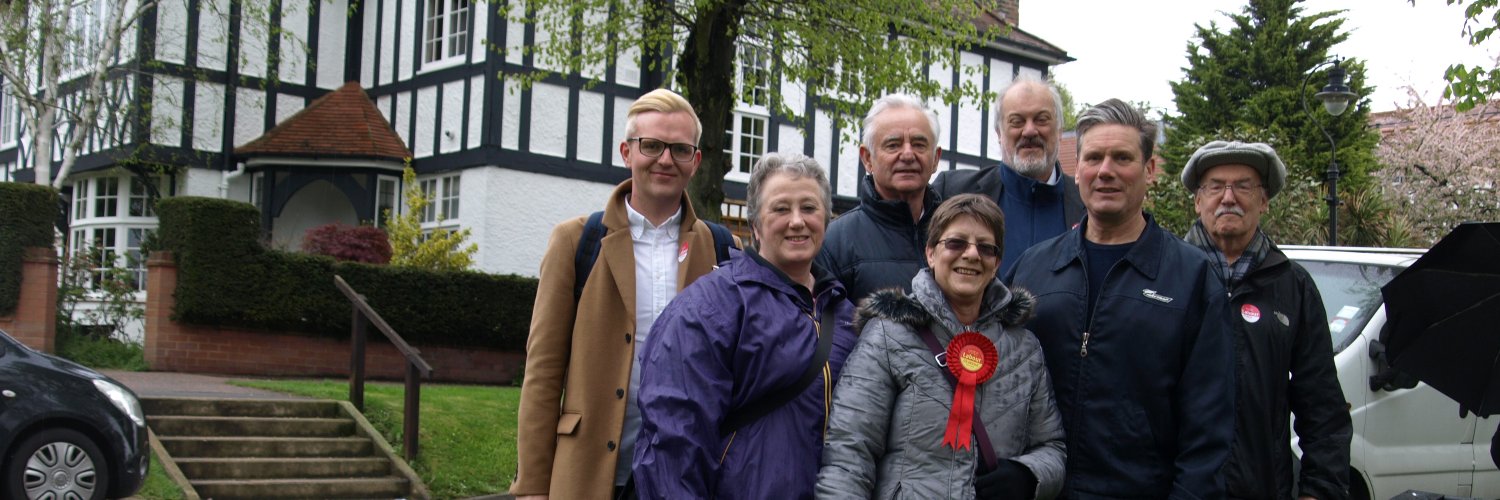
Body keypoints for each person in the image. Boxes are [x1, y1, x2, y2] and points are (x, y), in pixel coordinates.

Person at [1004, 99, 1235, 497]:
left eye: (1122, 158)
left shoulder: (1192, 279)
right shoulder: (1033, 269)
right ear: (1078, 172)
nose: (1105, 171)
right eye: (1093, 158)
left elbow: (1208, 431)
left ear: (1150, 170)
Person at [513, 88, 735, 500]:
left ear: (696, 161)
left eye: (680, 149)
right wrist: (532, 485)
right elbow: (543, 372)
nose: (665, 159)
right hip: (590, 474)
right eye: (651, 145)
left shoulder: (722, 249)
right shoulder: (576, 242)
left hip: (687, 478)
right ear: (626, 152)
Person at [633, 153, 859, 500]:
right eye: (781, 209)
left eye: (809, 208)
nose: (797, 221)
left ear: (826, 220)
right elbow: (673, 444)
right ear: (755, 225)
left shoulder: (845, 314)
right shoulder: (710, 308)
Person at [817, 193, 1066, 499]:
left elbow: (1052, 447)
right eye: (956, 243)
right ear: (931, 253)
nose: (972, 254)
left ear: (996, 262)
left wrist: (1029, 474)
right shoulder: (887, 336)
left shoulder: (1025, 350)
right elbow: (849, 453)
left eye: (985, 247)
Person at [1179, 140, 1352, 500]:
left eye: (1244, 186)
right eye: (1215, 186)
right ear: (1197, 200)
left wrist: (1319, 491)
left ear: (1264, 201)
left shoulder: (1293, 286)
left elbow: (1322, 406)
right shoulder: (1165, 278)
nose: (1228, 197)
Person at [931, 74, 1084, 278]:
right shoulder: (951, 191)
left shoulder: (1088, 206)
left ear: (1059, 130)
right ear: (999, 133)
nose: (1029, 131)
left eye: (1041, 119)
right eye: (1017, 121)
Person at [817, 93, 944, 302]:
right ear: (867, 158)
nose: (907, 154)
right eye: (893, 145)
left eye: (919, 144)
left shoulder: (957, 239)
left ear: (935, 159)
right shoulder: (835, 243)